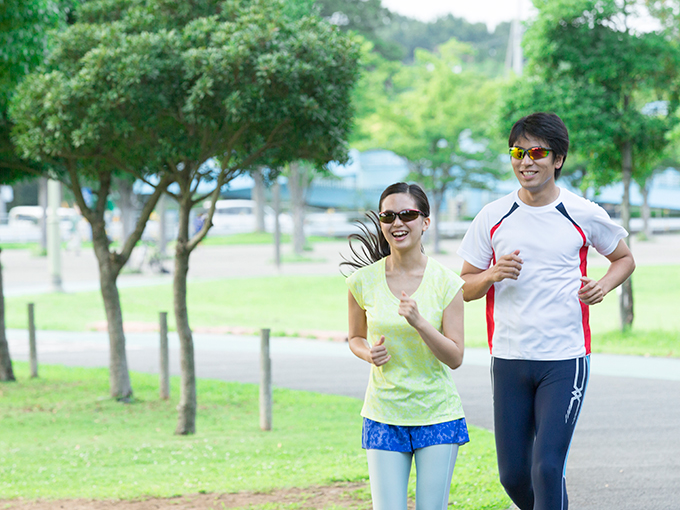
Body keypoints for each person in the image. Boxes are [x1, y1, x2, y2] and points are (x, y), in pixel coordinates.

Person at [457, 112, 636, 510]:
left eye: (537, 152)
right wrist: (491, 274)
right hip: (509, 358)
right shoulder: (492, 215)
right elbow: (464, 288)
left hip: (564, 358)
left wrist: (602, 286)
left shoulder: (582, 212)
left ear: (557, 159)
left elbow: (624, 258)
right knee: (514, 476)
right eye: (518, 152)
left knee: (548, 468)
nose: (526, 161)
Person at [343, 182, 468, 510]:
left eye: (407, 214)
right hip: (384, 413)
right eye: (388, 216)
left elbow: (455, 356)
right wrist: (367, 353)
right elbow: (355, 337)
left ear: (425, 221)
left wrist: (420, 322)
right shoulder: (361, 282)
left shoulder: (447, 283)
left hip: (436, 414)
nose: (397, 223)